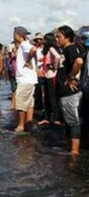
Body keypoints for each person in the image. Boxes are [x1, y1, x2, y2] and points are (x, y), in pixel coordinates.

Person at [55, 25, 84, 155]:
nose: (57, 39)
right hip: (64, 92)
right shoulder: (65, 49)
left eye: (59, 36)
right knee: (69, 120)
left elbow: (79, 62)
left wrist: (71, 77)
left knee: (73, 121)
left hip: (69, 92)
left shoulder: (70, 48)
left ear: (67, 37)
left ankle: (74, 150)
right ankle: (70, 147)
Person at [13, 26, 38, 133]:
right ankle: (29, 122)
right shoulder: (24, 45)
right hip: (30, 79)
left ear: (18, 34)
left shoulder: (24, 44)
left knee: (20, 103)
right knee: (29, 102)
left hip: (25, 79)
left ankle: (21, 125)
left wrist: (27, 61)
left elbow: (33, 49)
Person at [37, 33, 62, 125]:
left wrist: (54, 66)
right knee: (47, 97)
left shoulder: (51, 48)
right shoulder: (47, 49)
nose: (43, 41)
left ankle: (56, 118)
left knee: (52, 98)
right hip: (47, 75)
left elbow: (58, 57)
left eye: (44, 39)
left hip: (52, 75)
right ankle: (47, 117)